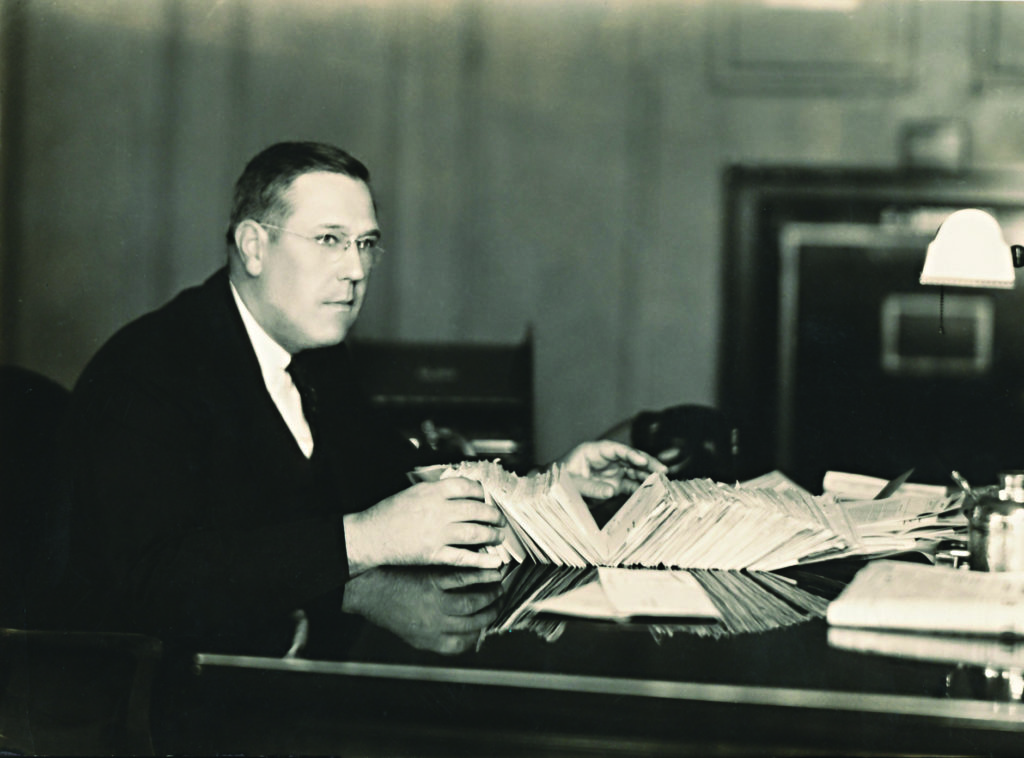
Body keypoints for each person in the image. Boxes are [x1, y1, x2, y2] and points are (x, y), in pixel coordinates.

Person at [55, 141, 663, 651]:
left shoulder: (318, 359)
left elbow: (394, 481)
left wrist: (551, 487)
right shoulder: (149, 369)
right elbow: (146, 580)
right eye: (328, 240)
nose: (355, 270)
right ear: (253, 246)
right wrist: (362, 539)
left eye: (366, 244)